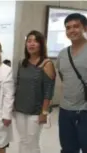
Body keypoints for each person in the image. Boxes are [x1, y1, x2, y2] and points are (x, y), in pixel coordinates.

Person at [14, 30, 56, 153]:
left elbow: (49, 91)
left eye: (35, 41)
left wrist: (44, 112)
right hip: (20, 108)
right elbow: (18, 85)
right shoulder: (22, 63)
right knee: (22, 140)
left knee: (32, 143)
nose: (31, 44)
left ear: (41, 44)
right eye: (29, 41)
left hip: (36, 111)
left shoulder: (47, 64)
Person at [57, 13, 87, 153]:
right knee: (68, 149)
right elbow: (64, 78)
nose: (72, 30)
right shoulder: (63, 54)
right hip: (65, 110)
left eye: (76, 26)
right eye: (68, 28)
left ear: (85, 28)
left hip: (85, 110)